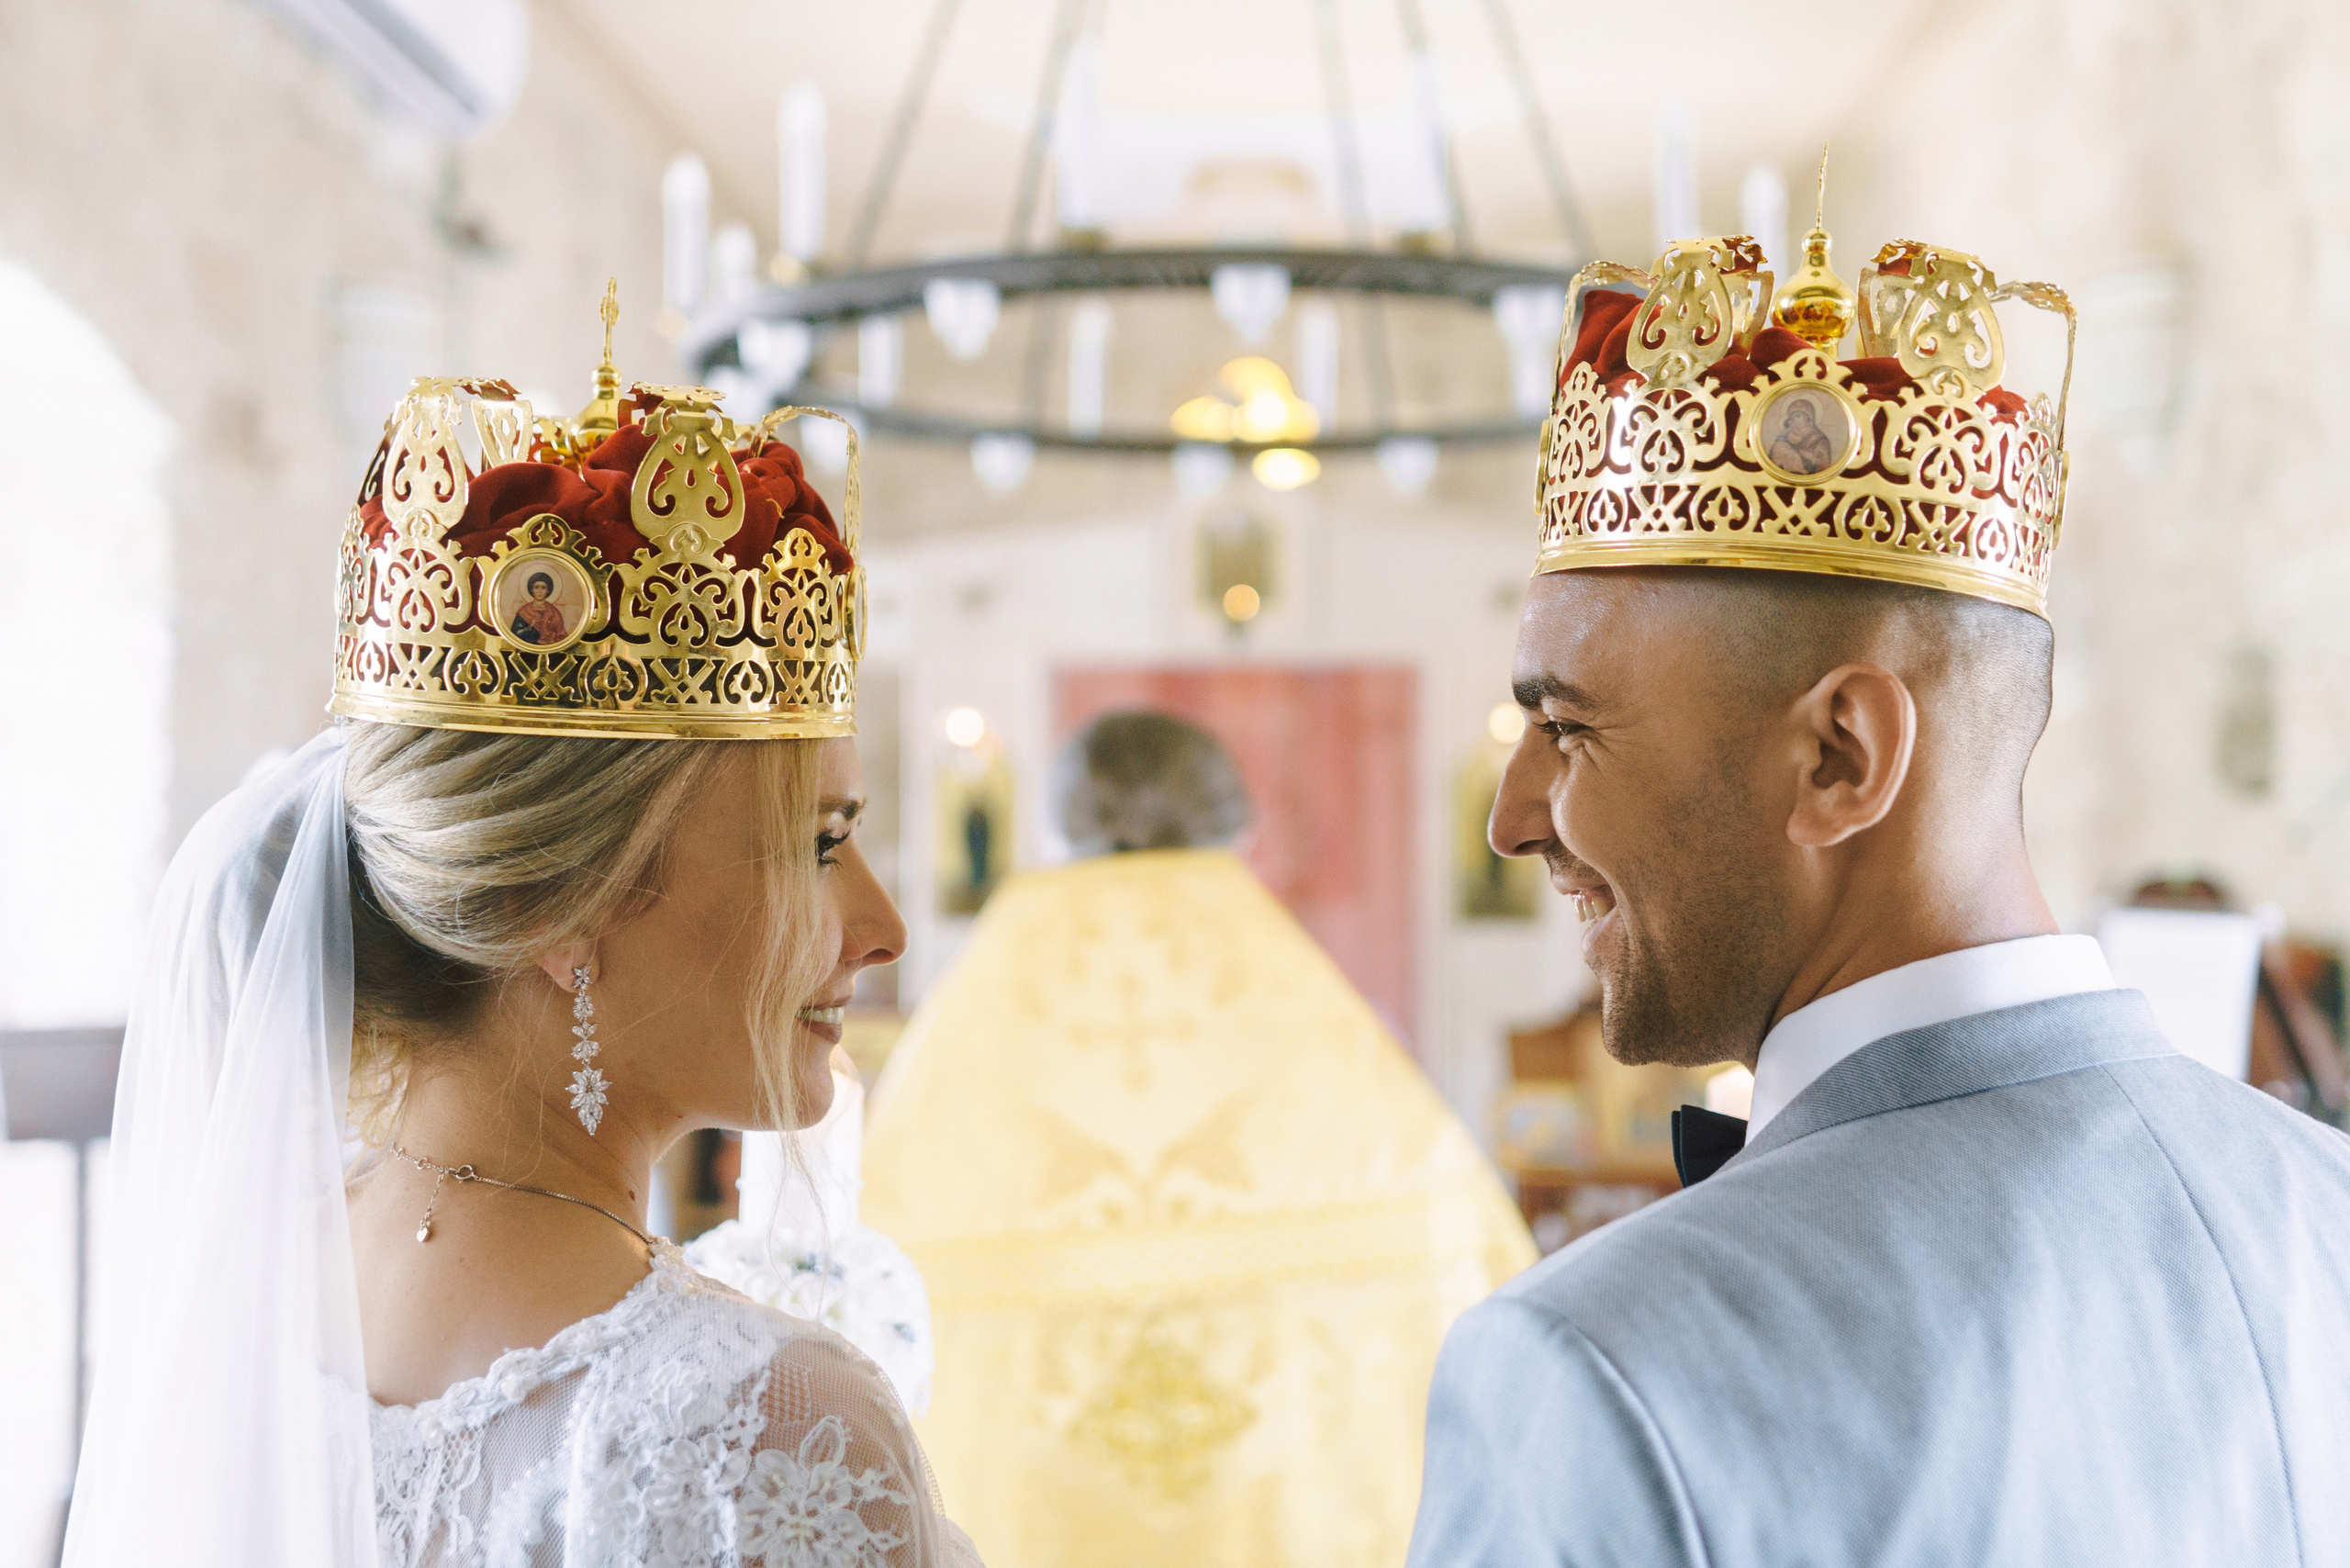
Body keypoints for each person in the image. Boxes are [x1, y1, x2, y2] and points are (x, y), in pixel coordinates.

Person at [1410, 227, 2350, 1562]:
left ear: (1840, 756)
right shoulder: (2329, 1208)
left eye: (1569, 728)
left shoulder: (1596, 1368)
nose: (1513, 822)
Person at [64, 308, 982, 1565]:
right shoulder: (767, 1431)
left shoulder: (242, 1271)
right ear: (565, 906)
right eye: (817, 845)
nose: (880, 929)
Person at [860, 711, 1535, 1568]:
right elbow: (1465, 1273)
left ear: (1058, 828)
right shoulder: (1325, 1028)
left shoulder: (970, 1031)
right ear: (1236, 830)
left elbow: (862, 1285)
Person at [508, 570, 566, 643]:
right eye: (536, 587)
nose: (540, 591)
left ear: (548, 590)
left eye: (543, 588)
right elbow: (514, 634)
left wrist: (551, 641)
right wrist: (528, 628)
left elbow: (562, 637)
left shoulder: (554, 613)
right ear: (532, 590)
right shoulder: (523, 611)